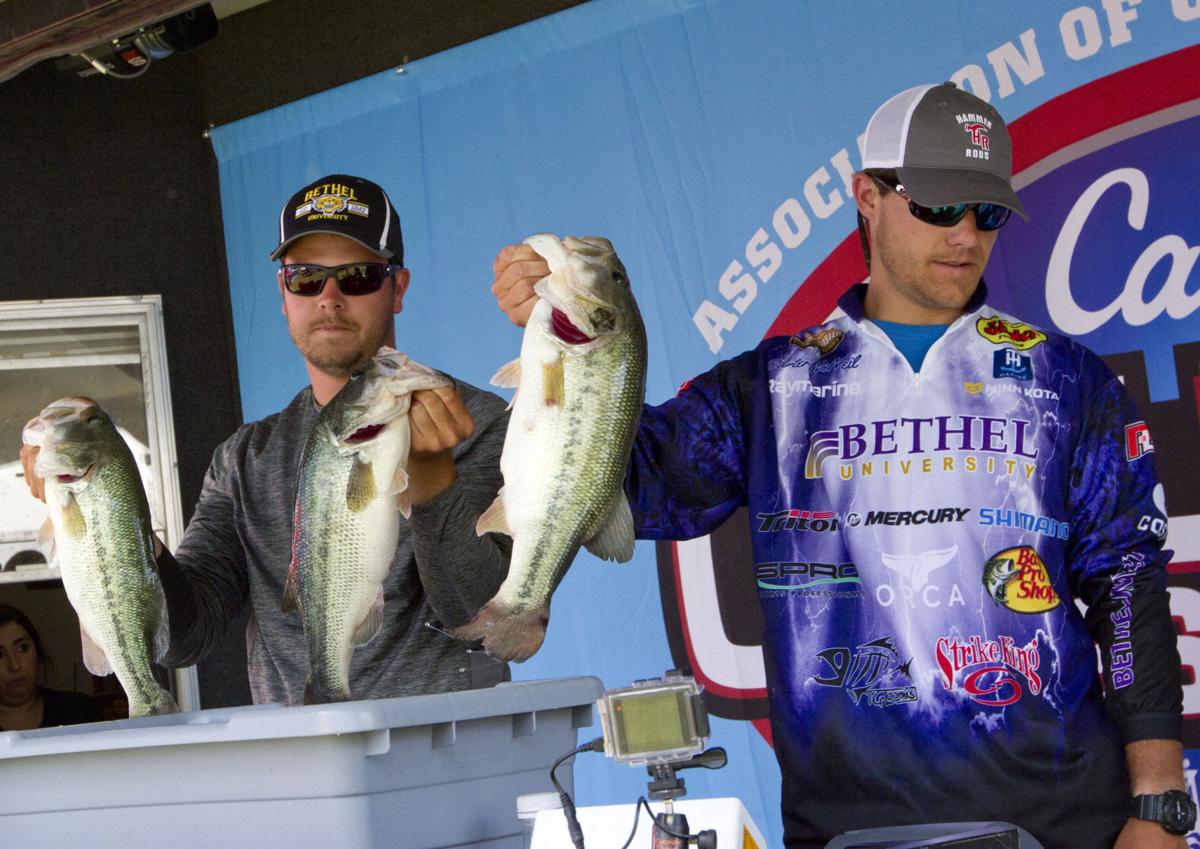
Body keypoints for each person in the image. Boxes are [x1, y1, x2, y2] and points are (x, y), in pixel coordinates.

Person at [491, 84, 1189, 848]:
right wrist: (557, 342)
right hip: (849, 829)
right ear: (867, 196)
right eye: (938, 207)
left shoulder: (1065, 379)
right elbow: (634, 487)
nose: (965, 234)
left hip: (1062, 824)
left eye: (987, 213)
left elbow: (1127, 585)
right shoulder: (771, 386)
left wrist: (1160, 802)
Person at [23, 174, 511, 706]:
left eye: (359, 276)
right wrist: (109, 518)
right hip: (304, 757)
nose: (329, 298)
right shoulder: (243, 458)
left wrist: (433, 478)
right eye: (305, 277)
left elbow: (487, 620)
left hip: (455, 747)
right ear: (282, 293)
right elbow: (188, 635)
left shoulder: (478, 421)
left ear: (398, 287)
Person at [0, 603, 102, 731]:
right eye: (0, 655)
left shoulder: (78, 710)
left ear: (37, 650)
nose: (14, 665)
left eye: (23, 648)